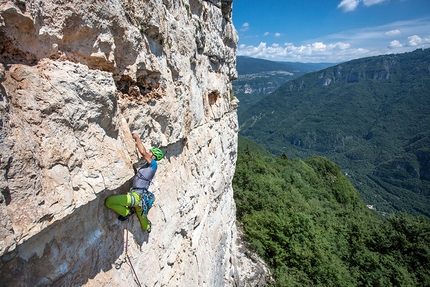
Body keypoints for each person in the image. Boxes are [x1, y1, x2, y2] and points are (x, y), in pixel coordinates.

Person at [105, 132, 164, 232]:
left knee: (109, 202)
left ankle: (126, 212)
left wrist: (137, 138)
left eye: (150, 153)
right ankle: (148, 226)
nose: (148, 153)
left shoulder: (153, 164)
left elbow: (143, 152)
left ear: (153, 156)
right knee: (143, 221)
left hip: (136, 197)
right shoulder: (148, 167)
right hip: (140, 198)